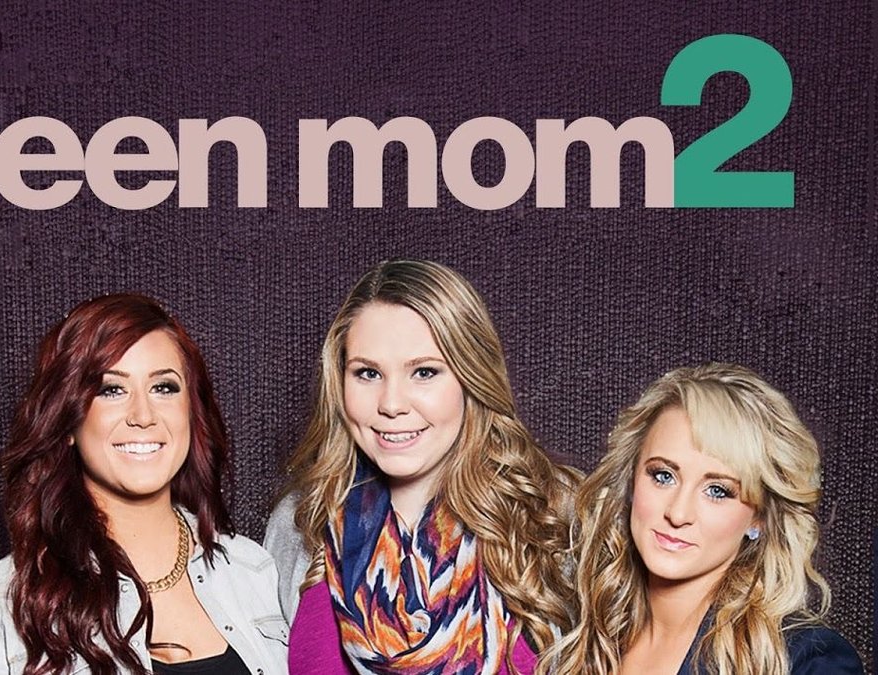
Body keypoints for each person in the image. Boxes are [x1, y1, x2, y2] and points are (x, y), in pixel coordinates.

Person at [265, 260, 577, 674]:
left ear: (471, 377)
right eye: (368, 373)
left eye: (424, 372)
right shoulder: (300, 520)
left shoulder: (554, 515)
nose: (392, 404)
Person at [0, 294, 288, 675]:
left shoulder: (254, 570)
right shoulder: (0, 600)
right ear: (68, 421)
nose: (143, 416)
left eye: (164, 387)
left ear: (191, 411)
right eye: (111, 390)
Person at [545, 363, 864, 674]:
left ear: (760, 518)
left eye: (717, 491)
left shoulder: (806, 660)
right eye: (663, 476)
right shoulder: (578, 639)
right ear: (631, 482)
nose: (678, 513)